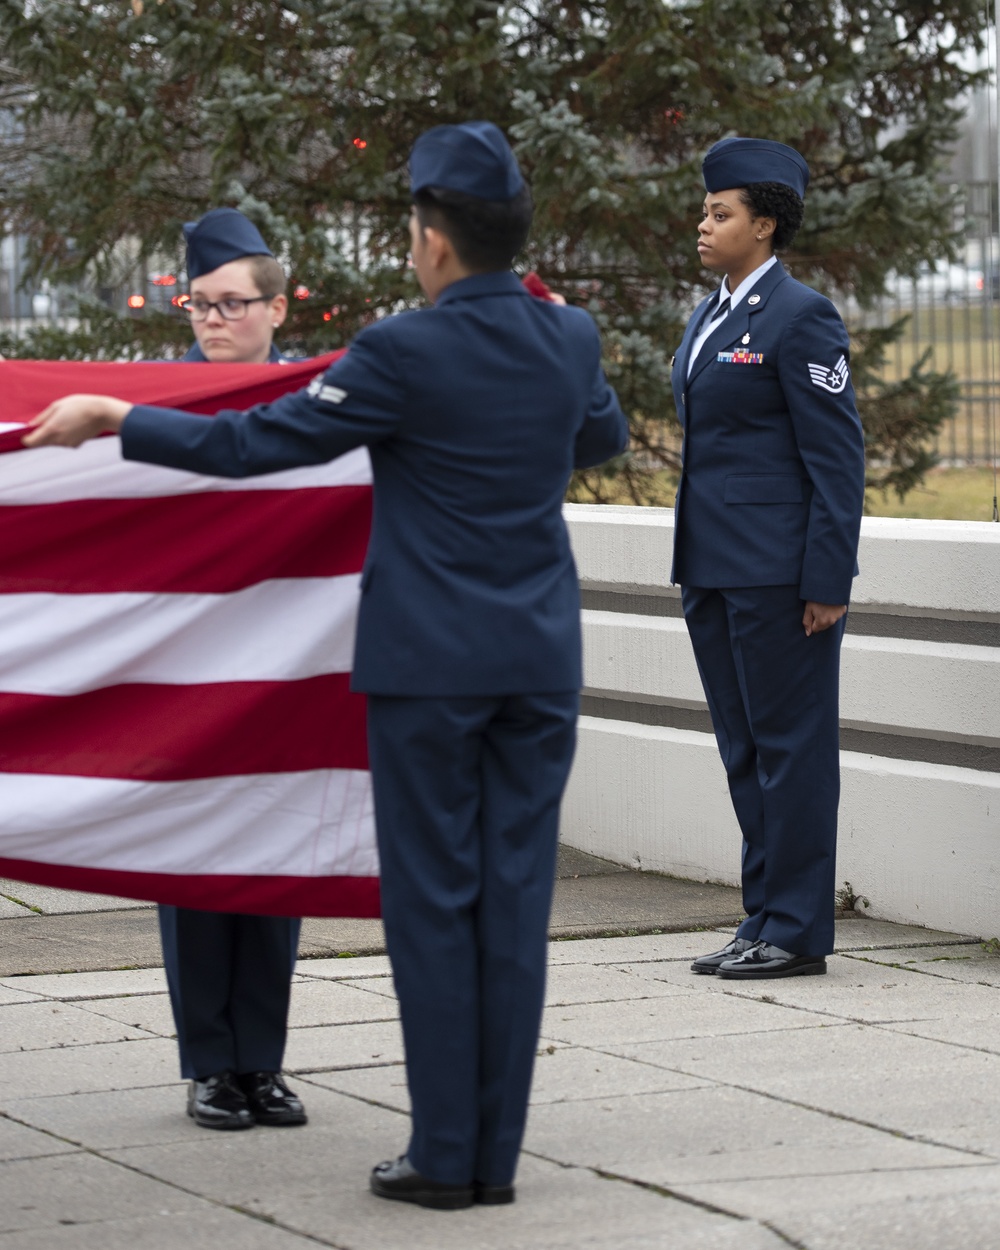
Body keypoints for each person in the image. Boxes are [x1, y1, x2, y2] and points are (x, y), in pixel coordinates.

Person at [24, 121, 628, 1208]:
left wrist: (119, 416)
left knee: (436, 908)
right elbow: (598, 440)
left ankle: (446, 1156)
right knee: (512, 905)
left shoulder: (402, 350)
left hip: (426, 670)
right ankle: (492, 1156)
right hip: (538, 662)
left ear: (435, 241)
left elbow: (252, 446)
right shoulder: (567, 334)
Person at [671, 137, 866, 981]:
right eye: (706, 210)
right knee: (743, 749)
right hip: (712, 566)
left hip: (782, 576)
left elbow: (837, 459)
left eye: (721, 213)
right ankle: (761, 918)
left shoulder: (801, 316)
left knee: (792, 749)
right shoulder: (712, 312)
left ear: (766, 223)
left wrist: (828, 579)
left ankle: (796, 931)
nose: (704, 225)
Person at [155, 208, 308, 1131]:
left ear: (278, 307)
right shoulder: (161, 402)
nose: (213, 320)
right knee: (197, 866)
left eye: (231, 304)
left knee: (277, 861)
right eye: (199, 305)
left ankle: (266, 1061)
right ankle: (211, 1063)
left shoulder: (312, 397)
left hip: (288, 662)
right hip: (191, 666)